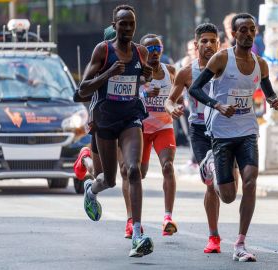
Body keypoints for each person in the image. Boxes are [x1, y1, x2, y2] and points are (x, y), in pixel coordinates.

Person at [188, 13, 278, 262]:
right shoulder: (221, 58)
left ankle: (240, 243)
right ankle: (212, 168)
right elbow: (195, 88)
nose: (248, 34)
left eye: (252, 30)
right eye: (243, 30)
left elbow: (267, 87)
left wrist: (273, 100)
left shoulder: (261, 63)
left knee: (251, 181)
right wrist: (217, 105)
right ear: (233, 34)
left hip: (248, 131)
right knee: (228, 196)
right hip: (221, 133)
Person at [78, 5, 154, 257]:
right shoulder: (103, 50)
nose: (128, 28)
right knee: (108, 179)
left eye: (131, 23)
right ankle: (92, 189)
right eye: (123, 23)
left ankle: (138, 233)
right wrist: (108, 73)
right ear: (114, 24)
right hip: (106, 121)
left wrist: (147, 75)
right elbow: (82, 90)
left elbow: (143, 80)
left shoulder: (140, 52)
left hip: (131, 117)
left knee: (133, 170)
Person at [165, 23, 223, 253]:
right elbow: (170, 100)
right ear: (196, 44)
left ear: (219, 44)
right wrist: (172, 109)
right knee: (210, 183)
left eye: (212, 41)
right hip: (200, 130)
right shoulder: (187, 72)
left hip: (226, 130)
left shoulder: (228, 67)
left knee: (228, 187)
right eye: (204, 41)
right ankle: (214, 237)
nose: (208, 45)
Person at [136, 34, 178, 235]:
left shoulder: (170, 71)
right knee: (139, 173)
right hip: (141, 129)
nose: (154, 54)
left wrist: (177, 107)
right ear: (143, 52)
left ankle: (168, 218)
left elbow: (178, 95)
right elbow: (127, 96)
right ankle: (134, 220)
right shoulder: (137, 72)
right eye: (150, 50)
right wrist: (144, 94)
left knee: (168, 167)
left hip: (163, 127)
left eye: (157, 49)